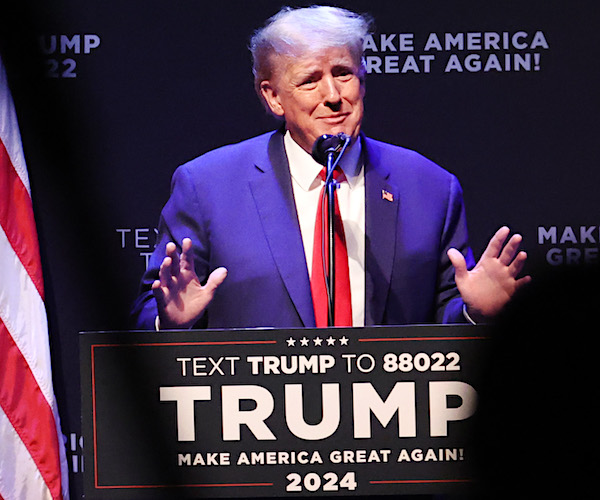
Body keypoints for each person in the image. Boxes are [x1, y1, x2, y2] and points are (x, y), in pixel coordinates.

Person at [130, 5, 530, 331]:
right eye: (310, 80)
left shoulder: (430, 187)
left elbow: (445, 318)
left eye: (343, 74)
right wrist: (172, 322)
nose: (333, 96)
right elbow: (149, 313)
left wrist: (474, 313)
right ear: (273, 97)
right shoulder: (207, 186)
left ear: (363, 80)